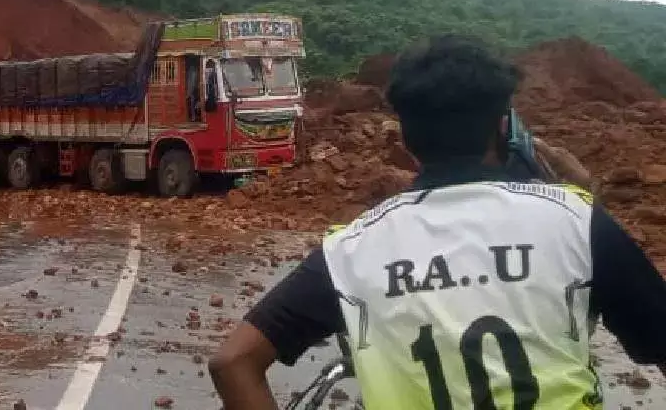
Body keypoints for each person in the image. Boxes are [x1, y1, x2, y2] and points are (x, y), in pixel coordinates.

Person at [209, 34, 666, 409]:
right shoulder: (576, 221)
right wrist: (583, 200)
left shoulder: (352, 250)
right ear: (504, 127)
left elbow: (233, 362)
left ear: (406, 139)